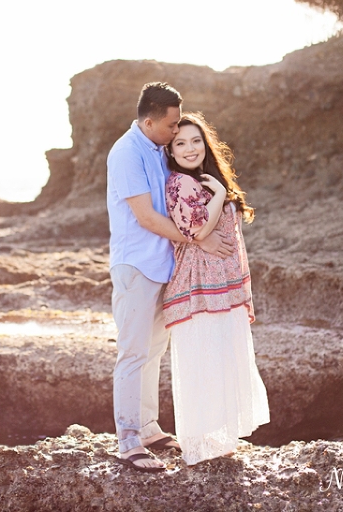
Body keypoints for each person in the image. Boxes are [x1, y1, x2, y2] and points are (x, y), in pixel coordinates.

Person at [106, 83, 233, 472]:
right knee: (133, 352)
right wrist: (202, 239)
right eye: (172, 124)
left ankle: (147, 427)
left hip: (165, 265)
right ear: (149, 121)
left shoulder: (158, 150)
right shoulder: (127, 153)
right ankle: (128, 440)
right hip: (137, 266)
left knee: (154, 350)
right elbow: (145, 217)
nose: (177, 131)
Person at [162, 111, 270, 465]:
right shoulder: (180, 183)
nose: (190, 148)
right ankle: (201, 446)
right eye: (181, 143)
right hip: (198, 287)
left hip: (223, 285)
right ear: (171, 151)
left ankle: (221, 443)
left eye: (196, 140)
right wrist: (220, 194)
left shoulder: (206, 179)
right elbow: (196, 231)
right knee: (202, 362)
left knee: (222, 359)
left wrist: (221, 190)